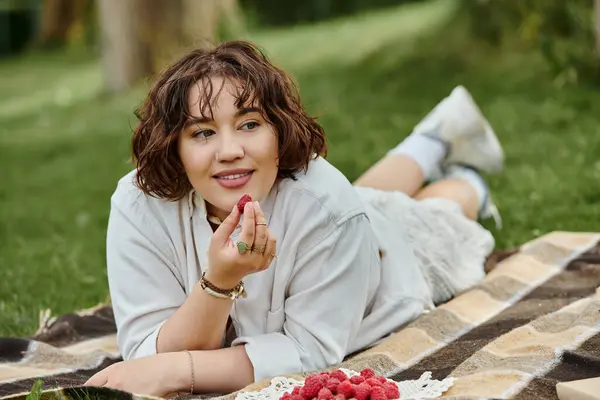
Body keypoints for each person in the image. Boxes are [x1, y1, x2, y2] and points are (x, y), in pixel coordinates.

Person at [84, 40, 504, 397]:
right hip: (349, 207)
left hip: (393, 253)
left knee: (440, 213)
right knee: (368, 194)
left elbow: (310, 353)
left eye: (249, 124)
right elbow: (143, 346)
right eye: (203, 132)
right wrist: (218, 284)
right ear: (173, 146)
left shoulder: (332, 210)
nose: (228, 149)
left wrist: (175, 370)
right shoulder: (138, 205)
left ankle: (469, 181)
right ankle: (433, 138)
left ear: (280, 133)